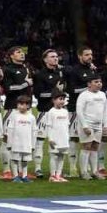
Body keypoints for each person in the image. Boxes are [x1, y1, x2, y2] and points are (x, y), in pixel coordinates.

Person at [63, 47, 98, 177]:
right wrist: (89, 88)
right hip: (74, 109)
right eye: (87, 54)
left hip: (90, 111)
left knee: (89, 140)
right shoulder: (74, 71)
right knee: (74, 138)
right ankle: (73, 168)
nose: (90, 57)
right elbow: (72, 90)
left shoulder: (93, 70)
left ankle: (87, 168)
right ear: (80, 56)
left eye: (91, 54)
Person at [31, 49, 65, 178]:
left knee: (58, 140)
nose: (55, 59)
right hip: (44, 112)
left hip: (59, 113)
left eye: (56, 56)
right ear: (45, 59)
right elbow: (39, 94)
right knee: (40, 140)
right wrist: (55, 91)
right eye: (52, 57)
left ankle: (57, 171)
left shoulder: (60, 73)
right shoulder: (40, 74)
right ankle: (38, 168)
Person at [0, 47, 31, 180]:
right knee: (7, 139)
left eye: (22, 52)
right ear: (11, 56)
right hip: (12, 108)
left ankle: (20, 171)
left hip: (26, 109)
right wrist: (25, 84)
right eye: (18, 52)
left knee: (22, 139)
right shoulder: (7, 70)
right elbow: (8, 88)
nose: (22, 54)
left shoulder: (26, 69)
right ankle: (6, 170)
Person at [76, 73, 107, 180]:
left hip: (98, 125)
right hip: (87, 124)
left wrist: (106, 125)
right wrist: (85, 126)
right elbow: (79, 111)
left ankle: (95, 171)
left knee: (95, 148)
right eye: (96, 82)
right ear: (89, 84)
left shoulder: (102, 95)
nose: (99, 84)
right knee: (86, 147)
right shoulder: (83, 95)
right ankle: (84, 172)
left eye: (100, 82)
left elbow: (105, 111)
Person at [37, 92, 71, 183]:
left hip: (64, 138)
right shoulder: (51, 112)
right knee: (54, 156)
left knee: (61, 157)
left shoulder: (65, 111)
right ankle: (52, 175)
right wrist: (50, 139)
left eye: (63, 99)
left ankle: (58, 175)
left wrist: (67, 137)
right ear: (53, 100)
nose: (62, 101)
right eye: (60, 99)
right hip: (55, 138)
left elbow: (67, 125)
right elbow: (49, 126)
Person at [6, 95, 40, 182]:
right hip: (16, 143)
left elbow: (34, 131)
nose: (21, 106)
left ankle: (24, 176)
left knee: (25, 160)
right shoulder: (14, 116)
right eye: (19, 104)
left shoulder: (31, 117)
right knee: (15, 159)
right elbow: (10, 129)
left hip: (27, 143)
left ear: (28, 106)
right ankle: (15, 176)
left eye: (23, 104)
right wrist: (9, 143)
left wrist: (33, 144)